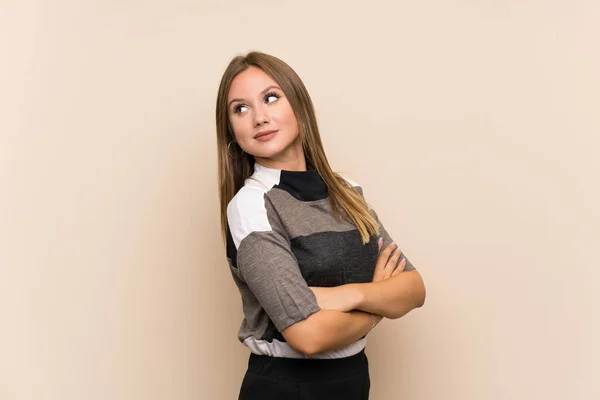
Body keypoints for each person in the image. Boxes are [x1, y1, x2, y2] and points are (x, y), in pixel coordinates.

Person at [215, 51, 426, 400]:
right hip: (287, 387)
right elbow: (307, 335)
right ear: (232, 132)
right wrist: (379, 307)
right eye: (241, 108)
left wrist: (347, 296)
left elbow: (414, 288)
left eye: (271, 98)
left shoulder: (348, 191)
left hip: (354, 378)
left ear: (298, 104)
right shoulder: (252, 205)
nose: (259, 118)